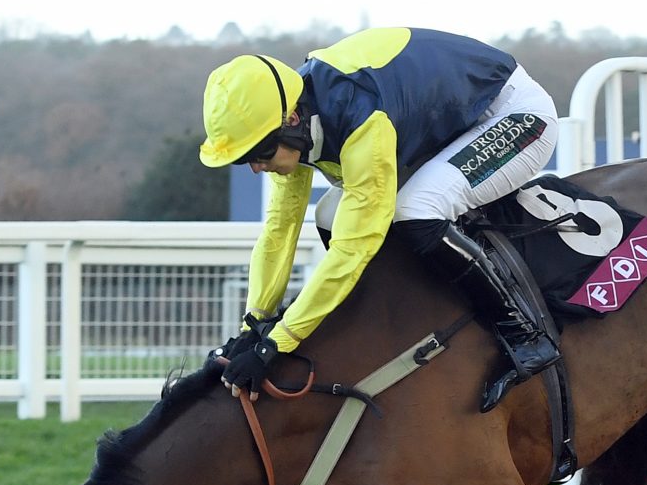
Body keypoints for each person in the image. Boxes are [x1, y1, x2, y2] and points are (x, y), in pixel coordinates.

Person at [198, 26, 563, 411]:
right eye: (244, 160)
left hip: (514, 114)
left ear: (290, 119)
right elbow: (279, 231)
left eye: (259, 152)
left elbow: (354, 248)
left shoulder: (356, 116)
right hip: (455, 123)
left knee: (415, 209)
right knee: (329, 213)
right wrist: (254, 325)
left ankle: (525, 336)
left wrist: (279, 341)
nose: (256, 168)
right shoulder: (295, 116)